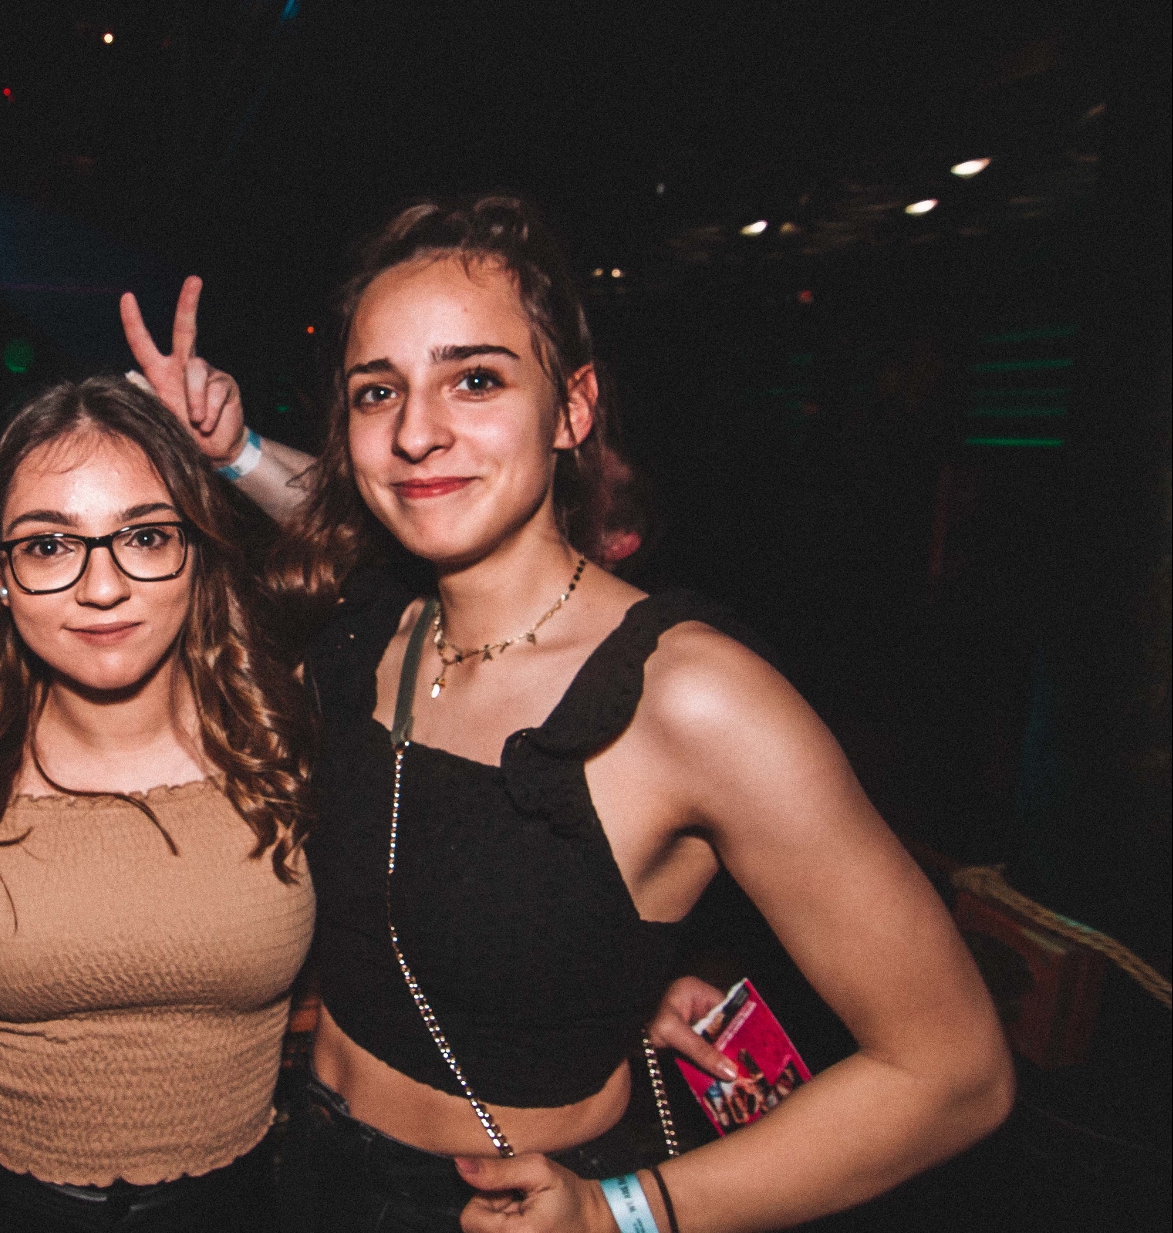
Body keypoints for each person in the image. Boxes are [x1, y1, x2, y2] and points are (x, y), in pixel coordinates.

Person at [120, 193, 1014, 1232]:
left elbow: (952, 1071)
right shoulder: (376, 625)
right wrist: (231, 452)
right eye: (377, 391)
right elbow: (360, 505)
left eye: (476, 378)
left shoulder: (690, 697)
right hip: (302, 1165)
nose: (416, 430)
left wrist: (622, 1211)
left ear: (572, 408)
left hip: (507, 1208)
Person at [0, 377, 314, 1232]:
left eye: (146, 536)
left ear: (199, 552)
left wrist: (240, 454)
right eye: (49, 545)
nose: (103, 586)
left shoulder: (290, 724)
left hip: (233, 1208)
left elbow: (387, 536)